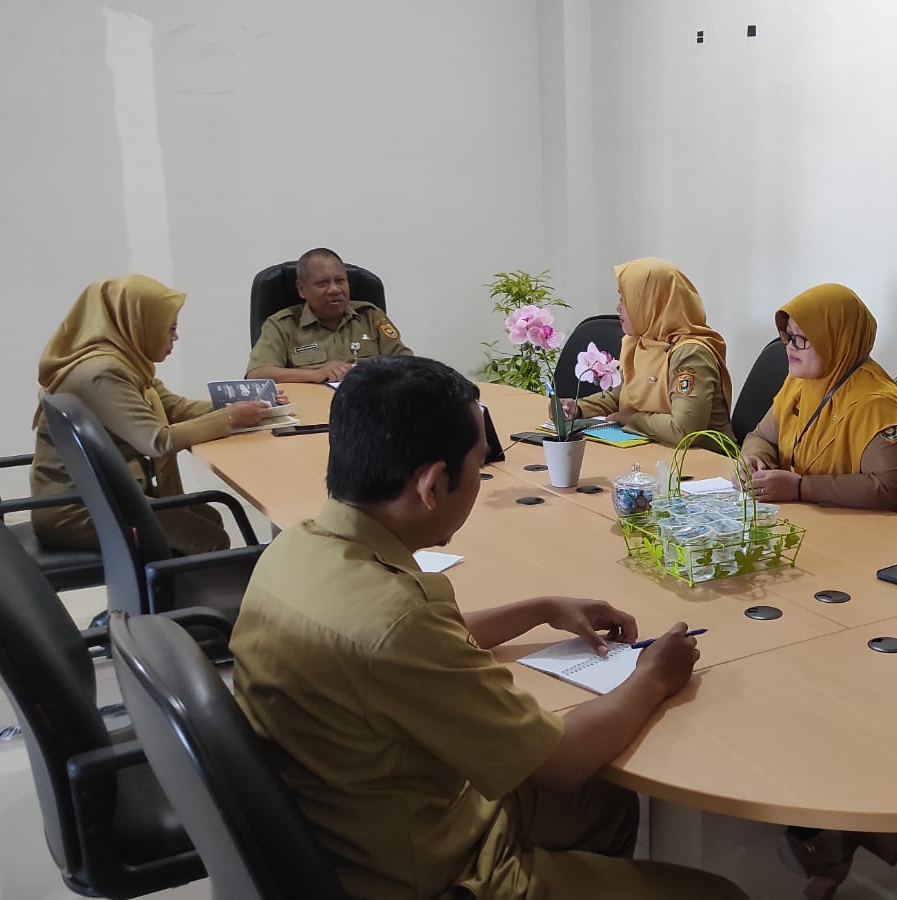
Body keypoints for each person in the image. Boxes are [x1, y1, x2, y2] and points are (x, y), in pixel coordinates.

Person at [228, 355, 748, 900]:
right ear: (432, 485)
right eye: (478, 469)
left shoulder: (297, 547)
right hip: (424, 871)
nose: (479, 481)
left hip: (347, 821)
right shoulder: (397, 624)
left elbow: (412, 648)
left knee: (604, 806)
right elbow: (564, 761)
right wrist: (653, 676)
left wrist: (541, 608)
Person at [30, 275, 274, 555]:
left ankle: (176, 581)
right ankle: (177, 584)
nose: (175, 337)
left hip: (103, 491)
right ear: (139, 323)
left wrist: (246, 405)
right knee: (206, 537)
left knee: (207, 517)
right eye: (170, 328)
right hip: (79, 508)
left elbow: (175, 409)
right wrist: (229, 418)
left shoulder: (126, 362)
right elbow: (157, 441)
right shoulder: (102, 374)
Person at [740, 283, 897, 516]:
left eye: (801, 338)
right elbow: (761, 437)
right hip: (815, 515)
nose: (790, 347)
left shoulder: (877, 404)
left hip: (881, 526)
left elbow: (888, 488)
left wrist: (800, 487)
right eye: (788, 335)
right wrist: (754, 461)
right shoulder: (800, 383)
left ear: (837, 340)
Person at [562, 257, 734, 448]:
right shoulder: (639, 343)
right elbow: (619, 397)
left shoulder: (691, 354)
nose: (618, 308)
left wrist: (633, 419)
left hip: (703, 459)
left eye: (625, 300)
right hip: (655, 450)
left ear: (650, 303)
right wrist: (578, 408)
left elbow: (683, 431)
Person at [245, 247, 411, 384]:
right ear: (302, 289)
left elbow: (407, 362)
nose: (334, 289)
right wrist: (316, 374)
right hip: (310, 409)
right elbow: (257, 374)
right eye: (322, 283)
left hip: (368, 406)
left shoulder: (370, 316)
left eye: (340, 281)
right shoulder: (282, 325)